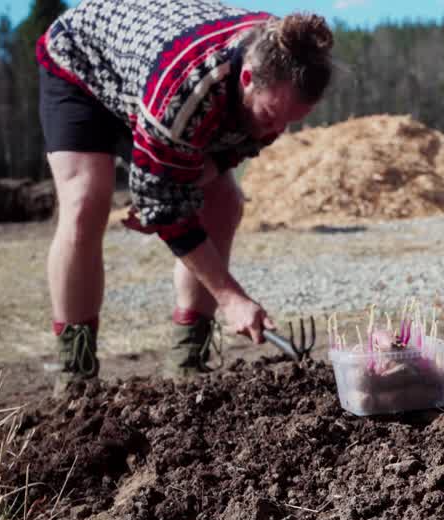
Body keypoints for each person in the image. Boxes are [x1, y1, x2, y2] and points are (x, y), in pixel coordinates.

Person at [35, 0, 333, 394]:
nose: (275, 130)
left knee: (224, 202)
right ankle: (75, 373)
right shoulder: (188, 86)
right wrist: (231, 298)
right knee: (86, 201)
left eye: (289, 121)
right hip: (83, 63)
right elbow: (164, 205)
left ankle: (187, 360)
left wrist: (175, 187)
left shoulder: (286, 60)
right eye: (269, 117)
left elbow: (234, 148)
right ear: (247, 78)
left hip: (152, 77)